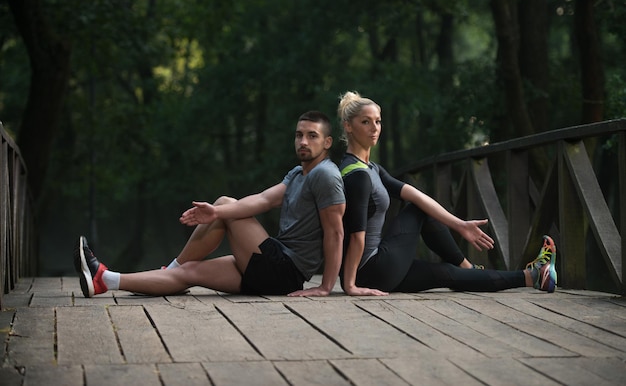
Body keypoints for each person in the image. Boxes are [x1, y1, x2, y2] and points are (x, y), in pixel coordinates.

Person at [74, 111, 346, 298]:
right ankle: (105, 280)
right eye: (299, 135)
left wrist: (325, 286)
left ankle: (171, 268)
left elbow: (335, 233)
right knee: (189, 273)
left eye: (312, 136)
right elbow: (264, 199)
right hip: (273, 270)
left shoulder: (325, 174)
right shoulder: (299, 173)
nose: (303, 141)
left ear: (327, 142)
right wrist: (216, 213)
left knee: (226, 204)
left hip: (286, 270)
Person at [336, 91, 557, 296]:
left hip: (376, 273)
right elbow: (356, 235)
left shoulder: (371, 168)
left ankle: (533, 277)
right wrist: (350, 285)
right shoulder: (358, 175)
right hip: (369, 269)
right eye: (365, 122)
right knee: (418, 211)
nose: (374, 128)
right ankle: (469, 266)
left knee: (448, 274)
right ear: (348, 126)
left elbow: (416, 194)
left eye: (378, 121)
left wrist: (460, 225)